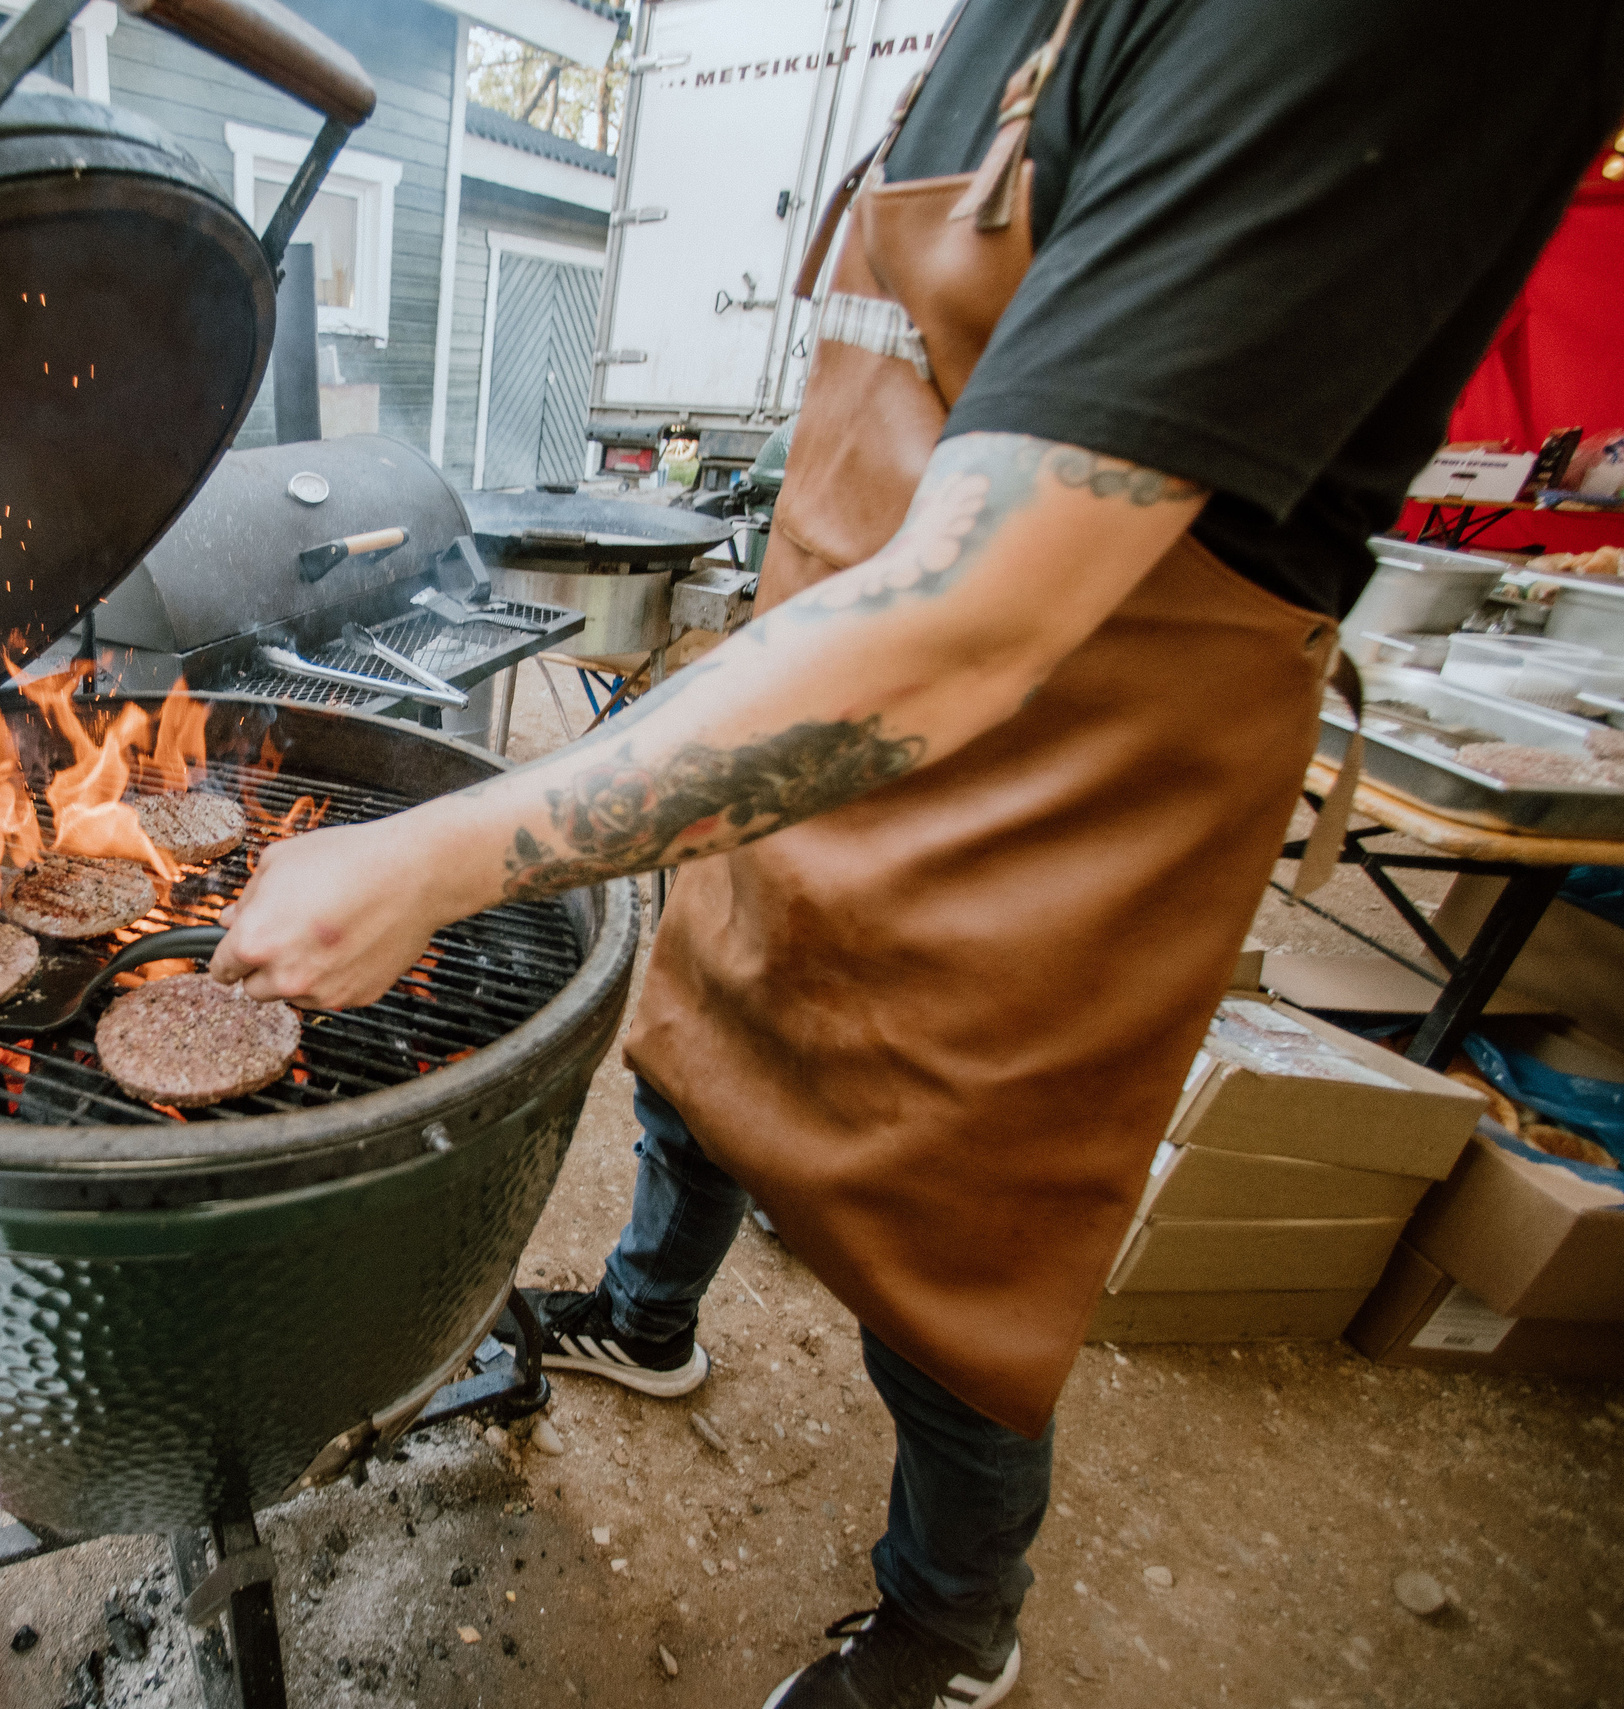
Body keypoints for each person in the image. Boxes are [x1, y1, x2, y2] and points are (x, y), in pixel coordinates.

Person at [210, 4, 1624, 1705]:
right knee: (707, 1051)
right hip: (801, 728)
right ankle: (654, 1319)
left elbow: (974, 621)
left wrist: (447, 856)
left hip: (1060, 796)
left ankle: (956, 1618)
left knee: (956, 1241)